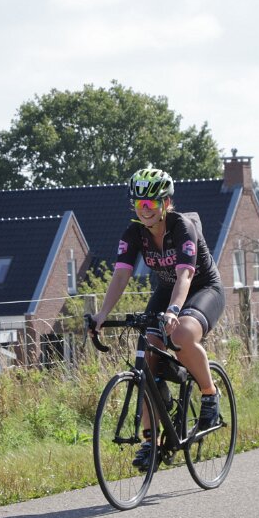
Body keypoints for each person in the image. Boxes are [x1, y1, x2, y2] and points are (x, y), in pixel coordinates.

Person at [90, 167, 225, 470]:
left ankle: (209, 393)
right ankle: (151, 440)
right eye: (139, 203)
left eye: (151, 203)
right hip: (166, 289)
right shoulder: (134, 233)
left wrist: (175, 310)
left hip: (203, 288)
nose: (145, 209)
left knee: (181, 335)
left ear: (165, 203)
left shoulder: (183, 227)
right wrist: (102, 314)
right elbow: (121, 275)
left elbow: (185, 275)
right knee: (147, 355)